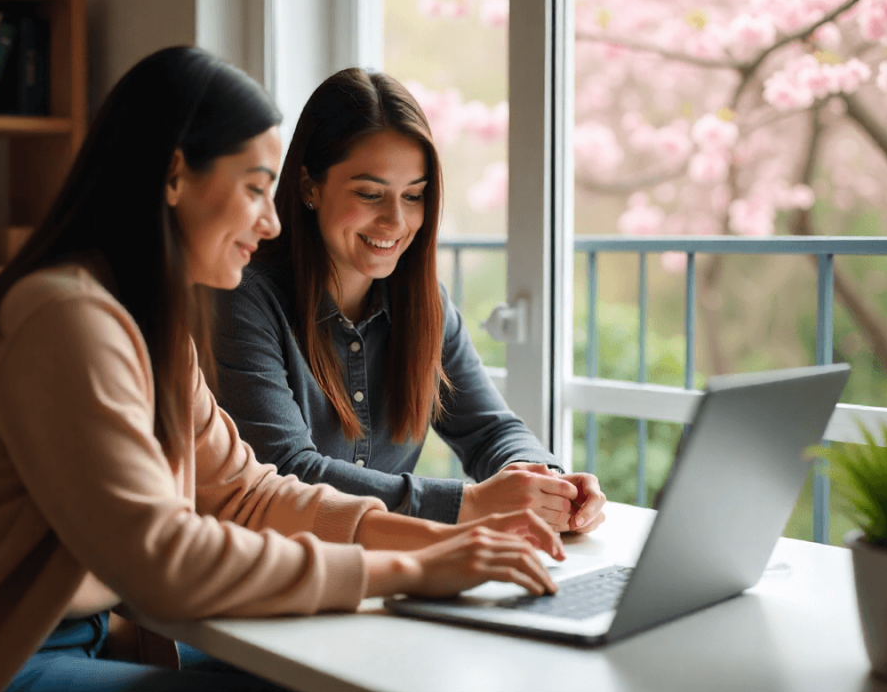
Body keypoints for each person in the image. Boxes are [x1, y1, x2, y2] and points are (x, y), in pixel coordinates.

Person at [0, 48, 565, 692]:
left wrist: (444, 541)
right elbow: (162, 561)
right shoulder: (64, 318)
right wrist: (413, 568)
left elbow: (247, 495)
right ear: (175, 177)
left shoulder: (148, 322)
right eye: (254, 189)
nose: (270, 223)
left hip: (76, 638)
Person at [213, 68, 607, 532]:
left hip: (388, 571)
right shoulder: (244, 300)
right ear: (308, 188)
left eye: (414, 195)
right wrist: (470, 503)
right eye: (369, 193)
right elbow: (287, 473)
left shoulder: (422, 303)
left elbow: (490, 431)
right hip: (274, 577)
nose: (395, 221)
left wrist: (549, 484)